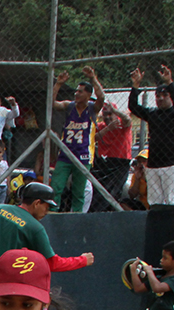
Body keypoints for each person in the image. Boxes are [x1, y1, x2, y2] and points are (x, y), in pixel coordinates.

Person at [128, 65, 174, 206]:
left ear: (170, 97)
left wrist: (169, 83)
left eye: (164, 95)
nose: (160, 99)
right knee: (155, 202)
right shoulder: (153, 113)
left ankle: (171, 227)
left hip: (173, 163)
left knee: (172, 201)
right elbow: (133, 107)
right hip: (154, 163)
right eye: (158, 96)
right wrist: (135, 86)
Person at [51, 66, 105, 214]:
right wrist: (58, 84)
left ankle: (76, 214)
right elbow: (52, 103)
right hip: (66, 153)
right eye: (76, 91)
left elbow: (102, 98)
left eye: (80, 91)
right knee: (56, 185)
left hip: (83, 155)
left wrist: (93, 78)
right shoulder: (70, 106)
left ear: (88, 94)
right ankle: (52, 211)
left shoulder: (92, 109)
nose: (76, 94)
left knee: (79, 190)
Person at [90, 102, 131, 211]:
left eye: (110, 114)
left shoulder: (121, 124)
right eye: (105, 114)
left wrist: (116, 112)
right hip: (104, 162)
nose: (107, 117)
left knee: (114, 193)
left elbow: (128, 120)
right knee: (99, 193)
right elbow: (92, 138)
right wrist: (107, 128)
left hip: (119, 163)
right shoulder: (101, 126)